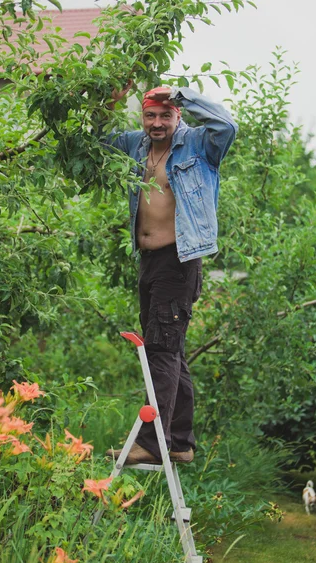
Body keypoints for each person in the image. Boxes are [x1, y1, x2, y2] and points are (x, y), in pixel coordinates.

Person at [105, 85, 238, 464]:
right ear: (142, 117)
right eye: (151, 115)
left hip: (179, 261)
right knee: (169, 350)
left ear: (177, 115)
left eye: (166, 115)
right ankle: (179, 441)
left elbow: (227, 125)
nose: (157, 122)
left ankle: (151, 441)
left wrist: (182, 93)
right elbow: (98, 137)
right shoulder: (136, 145)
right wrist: (112, 99)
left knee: (161, 349)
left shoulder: (198, 145)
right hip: (148, 261)